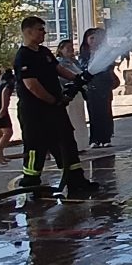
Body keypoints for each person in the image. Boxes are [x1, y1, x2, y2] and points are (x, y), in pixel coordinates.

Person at [13, 16, 98, 195]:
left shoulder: (44, 52)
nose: (44, 32)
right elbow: (32, 86)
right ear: (28, 31)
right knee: (36, 146)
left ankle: (76, 180)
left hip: (54, 109)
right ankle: (31, 181)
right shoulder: (24, 56)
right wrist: (54, 100)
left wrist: (78, 78)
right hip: (35, 112)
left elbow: (58, 69)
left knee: (67, 142)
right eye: (40, 29)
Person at [78, 27, 116, 148]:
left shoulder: (105, 52)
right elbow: (82, 68)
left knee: (105, 112)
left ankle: (106, 138)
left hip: (104, 87)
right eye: (91, 38)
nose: (93, 40)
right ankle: (94, 138)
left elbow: (109, 67)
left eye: (96, 38)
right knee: (93, 113)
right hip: (91, 88)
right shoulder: (84, 55)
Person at [55, 40, 89, 158]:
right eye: (67, 48)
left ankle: (81, 144)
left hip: (78, 93)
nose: (70, 50)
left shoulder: (75, 62)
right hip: (68, 93)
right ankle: (73, 145)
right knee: (72, 119)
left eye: (71, 47)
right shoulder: (60, 63)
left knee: (79, 119)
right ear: (60, 49)